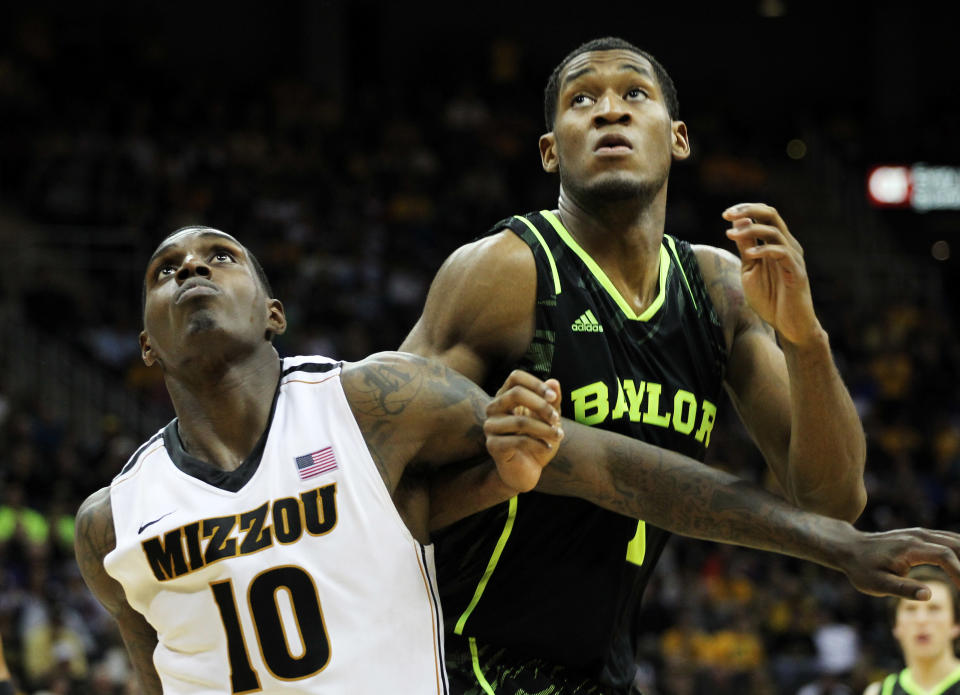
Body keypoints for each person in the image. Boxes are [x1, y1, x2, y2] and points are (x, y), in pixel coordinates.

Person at [75, 226, 960, 695]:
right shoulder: (110, 520)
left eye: (219, 256)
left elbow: (616, 468)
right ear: (146, 348)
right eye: (164, 269)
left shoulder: (372, 404)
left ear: (273, 310)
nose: (191, 269)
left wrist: (837, 544)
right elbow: (154, 676)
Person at [400, 36, 869, 693]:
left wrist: (805, 337)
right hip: (461, 658)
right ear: (549, 149)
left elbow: (834, 500)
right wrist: (488, 459)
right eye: (581, 98)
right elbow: (380, 471)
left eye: (634, 93)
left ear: (677, 138)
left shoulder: (720, 289)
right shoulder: (503, 272)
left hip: (605, 669)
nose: (608, 110)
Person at [864, 567, 960, 695]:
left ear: (955, 624)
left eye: (934, 609)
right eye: (911, 609)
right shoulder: (878, 691)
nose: (921, 620)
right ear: (896, 625)